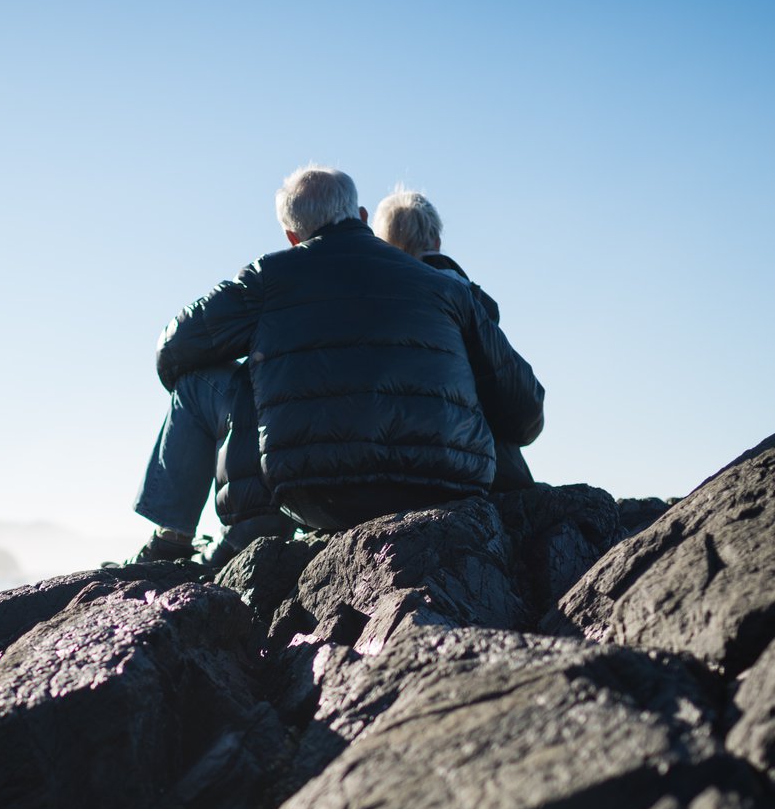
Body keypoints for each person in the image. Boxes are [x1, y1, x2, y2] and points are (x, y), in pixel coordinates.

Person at [129, 166, 543, 561]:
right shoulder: (444, 287)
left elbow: (174, 348)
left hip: (315, 492)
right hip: (445, 484)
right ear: (361, 216)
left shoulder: (269, 277)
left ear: (292, 236)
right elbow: (525, 412)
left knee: (205, 380)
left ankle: (174, 539)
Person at [370, 187, 539, 491]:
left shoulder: (375, 308)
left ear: (382, 244)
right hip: (486, 468)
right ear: (436, 240)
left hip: (396, 470)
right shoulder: (468, 300)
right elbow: (522, 405)